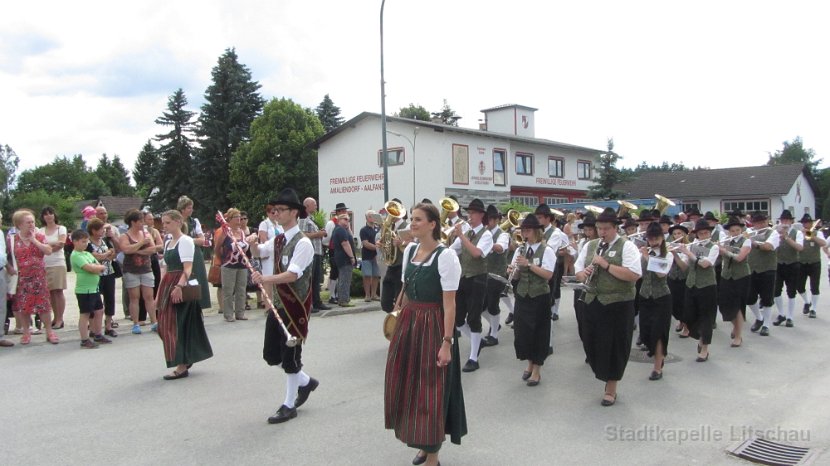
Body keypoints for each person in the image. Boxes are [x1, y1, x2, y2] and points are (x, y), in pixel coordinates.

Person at [385, 202, 466, 466]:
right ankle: (421, 442)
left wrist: (446, 342)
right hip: (410, 324)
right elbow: (406, 291)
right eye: (412, 219)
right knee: (410, 386)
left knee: (431, 390)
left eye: (418, 219)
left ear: (433, 224)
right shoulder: (409, 251)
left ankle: (433, 454)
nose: (413, 223)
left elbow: (450, 304)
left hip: (434, 325)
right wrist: (397, 323)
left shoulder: (446, 257)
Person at [250, 188, 319, 424]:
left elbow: (292, 275)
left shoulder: (304, 244)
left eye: (280, 210)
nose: (275, 213)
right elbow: (260, 252)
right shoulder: (278, 239)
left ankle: (289, 405)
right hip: (278, 304)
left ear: (294, 212)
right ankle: (306, 381)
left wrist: (265, 279)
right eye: (274, 210)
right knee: (271, 355)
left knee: (290, 358)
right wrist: (251, 244)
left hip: (295, 307)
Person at [574, 208, 641, 406]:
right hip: (592, 301)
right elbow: (577, 270)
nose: (602, 232)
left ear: (615, 229)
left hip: (618, 304)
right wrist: (583, 273)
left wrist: (606, 265)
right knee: (591, 342)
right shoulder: (590, 245)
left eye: (606, 229)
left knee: (614, 346)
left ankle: (611, 388)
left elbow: (633, 275)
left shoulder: (627, 246)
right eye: (599, 228)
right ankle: (602, 373)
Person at [156, 210, 213, 380]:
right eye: (164, 223)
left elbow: (188, 268)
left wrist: (179, 286)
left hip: (180, 284)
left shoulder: (186, 241)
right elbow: (164, 269)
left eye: (168, 223)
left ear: (178, 222)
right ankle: (185, 358)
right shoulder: (168, 242)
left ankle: (182, 365)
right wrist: (159, 293)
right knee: (164, 326)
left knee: (177, 325)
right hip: (168, 283)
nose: (164, 226)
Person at [507, 214, 555, 386]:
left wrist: (529, 265)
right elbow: (518, 274)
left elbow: (548, 275)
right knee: (523, 332)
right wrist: (513, 270)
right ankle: (529, 363)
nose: (525, 234)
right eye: (523, 230)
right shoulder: (521, 249)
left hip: (539, 296)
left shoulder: (546, 250)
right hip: (522, 295)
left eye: (528, 230)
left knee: (538, 333)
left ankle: (537, 370)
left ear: (536, 231)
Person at [450, 198, 493, 372]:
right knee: (458, 320)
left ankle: (474, 358)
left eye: (474, 213)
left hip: (479, 279)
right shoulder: (467, 234)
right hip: (464, 277)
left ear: (481, 215)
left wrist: (460, 235)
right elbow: (452, 250)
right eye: (469, 213)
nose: (470, 216)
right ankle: (478, 341)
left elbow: (476, 253)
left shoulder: (487, 235)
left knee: (474, 318)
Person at [8, 209, 57, 344]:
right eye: (28, 222)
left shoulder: (39, 236)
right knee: (24, 307)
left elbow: (48, 251)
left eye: (32, 222)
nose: (31, 224)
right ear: (19, 224)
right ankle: (26, 332)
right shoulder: (12, 239)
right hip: (22, 278)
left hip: (39, 277)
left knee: (44, 306)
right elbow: (7, 256)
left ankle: (49, 332)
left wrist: (34, 240)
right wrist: (9, 268)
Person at [676, 219, 719, 362]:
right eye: (701, 233)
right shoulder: (693, 246)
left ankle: (704, 347)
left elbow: (705, 264)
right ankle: (700, 337)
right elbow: (685, 268)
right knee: (689, 315)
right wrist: (675, 255)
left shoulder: (714, 247)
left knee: (706, 317)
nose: (704, 235)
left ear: (710, 233)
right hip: (691, 285)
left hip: (707, 286)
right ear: (697, 235)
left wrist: (688, 253)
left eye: (706, 233)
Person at [636, 222, 674, 380]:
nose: (653, 242)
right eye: (650, 239)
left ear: (662, 238)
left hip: (661, 297)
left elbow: (661, 274)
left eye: (657, 238)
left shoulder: (668, 254)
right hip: (645, 296)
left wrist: (646, 256)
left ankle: (657, 366)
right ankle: (658, 358)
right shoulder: (645, 252)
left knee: (659, 332)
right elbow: (638, 273)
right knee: (646, 331)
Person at [118, 208, 159, 334]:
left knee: (149, 296)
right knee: (134, 297)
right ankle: (136, 323)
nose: (143, 224)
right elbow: (126, 250)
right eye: (140, 221)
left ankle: (154, 322)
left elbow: (153, 249)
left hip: (146, 268)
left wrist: (138, 250)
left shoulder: (146, 233)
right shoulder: (124, 236)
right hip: (131, 270)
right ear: (133, 222)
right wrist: (141, 244)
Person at [69, 229, 111, 348]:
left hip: (94, 288)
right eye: (83, 241)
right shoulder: (75, 255)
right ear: (75, 242)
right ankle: (84, 339)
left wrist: (97, 267)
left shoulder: (87, 254)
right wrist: (96, 267)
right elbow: (90, 268)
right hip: (84, 290)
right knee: (85, 314)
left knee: (99, 311)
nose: (86, 244)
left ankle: (97, 334)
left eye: (87, 241)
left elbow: (98, 265)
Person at [717, 216, 752, 348]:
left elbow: (740, 258)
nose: (735, 233)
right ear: (729, 231)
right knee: (724, 305)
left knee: (737, 306)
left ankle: (738, 335)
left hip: (741, 276)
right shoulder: (726, 240)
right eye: (732, 230)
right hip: (726, 275)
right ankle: (735, 327)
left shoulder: (746, 241)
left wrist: (724, 251)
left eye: (737, 230)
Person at [746, 211, 780, 336]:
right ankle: (759, 318)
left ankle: (766, 324)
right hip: (752, 268)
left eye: (763, 222)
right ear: (753, 223)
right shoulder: (749, 232)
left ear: (767, 222)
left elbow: (768, 247)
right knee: (749, 298)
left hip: (767, 269)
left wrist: (753, 242)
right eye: (757, 223)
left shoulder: (773, 233)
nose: (760, 225)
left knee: (767, 298)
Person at [481, 205, 510, 347]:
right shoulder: (483, 232)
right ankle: (495, 325)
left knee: (493, 305)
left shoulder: (503, 234)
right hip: (483, 274)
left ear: (497, 220)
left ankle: (494, 335)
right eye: (488, 219)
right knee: (480, 306)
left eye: (492, 219)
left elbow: (500, 248)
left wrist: (487, 242)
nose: (489, 222)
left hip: (497, 274)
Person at [177, 196, 212, 310]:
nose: (191, 210)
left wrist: (187, 240)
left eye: (191, 207)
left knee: (198, 277)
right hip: (180, 252)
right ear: (182, 209)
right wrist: (192, 240)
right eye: (188, 208)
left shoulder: (194, 221)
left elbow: (202, 240)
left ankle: (200, 305)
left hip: (195, 253)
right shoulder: (176, 221)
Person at [215, 208, 249, 322]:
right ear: (229, 219)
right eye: (236, 217)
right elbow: (217, 247)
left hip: (242, 265)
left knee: (241, 289)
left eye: (239, 216)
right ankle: (228, 314)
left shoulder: (242, 232)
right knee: (228, 290)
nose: (239, 219)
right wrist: (221, 259)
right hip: (228, 265)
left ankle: (240, 312)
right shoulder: (225, 232)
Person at [87, 218, 118, 337]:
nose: (103, 232)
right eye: (100, 229)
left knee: (110, 299)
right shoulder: (88, 243)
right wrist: (106, 255)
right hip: (95, 275)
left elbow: (113, 253)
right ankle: (93, 327)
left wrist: (106, 256)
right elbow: (95, 257)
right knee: (94, 301)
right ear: (93, 230)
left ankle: (108, 326)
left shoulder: (105, 240)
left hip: (109, 273)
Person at [772, 210, 804, 328]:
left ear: (791, 221)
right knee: (776, 291)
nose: (784, 222)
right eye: (783, 220)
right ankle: (781, 314)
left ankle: (790, 317)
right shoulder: (775, 233)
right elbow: (772, 249)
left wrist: (787, 238)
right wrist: (779, 238)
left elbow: (799, 248)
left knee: (791, 291)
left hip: (793, 264)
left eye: (787, 220)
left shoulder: (797, 233)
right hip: (779, 264)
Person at [39, 206, 68, 330]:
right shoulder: (40, 230)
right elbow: (38, 245)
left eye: (50, 213)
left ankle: (60, 319)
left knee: (58, 291)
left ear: (54, 215)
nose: (48, 216)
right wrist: (50, 245)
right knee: (50, 292)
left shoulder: (61, 228)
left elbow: (61, 244)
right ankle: (54, 317)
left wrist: (47, 248)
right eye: (46, 214)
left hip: (58, 262)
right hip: (44, 263)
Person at [380, 199, 409, 314]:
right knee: (385, 303)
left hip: (401, 266)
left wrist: (401, 243)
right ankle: (395, 317)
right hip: (391, 266)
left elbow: (413, 245)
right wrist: (382, 244)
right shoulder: (390, 227)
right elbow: (387, 245)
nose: (390, 213)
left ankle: (397, 322)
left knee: (399, 300)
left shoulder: (407, 227)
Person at [301, 197, 330, 311]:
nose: (316, 206)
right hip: (310, 252)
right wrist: (318, 234)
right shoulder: (303, 219)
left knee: (317, 279)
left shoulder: (312, 219)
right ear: (307, 206)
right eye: (314, 204)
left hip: (318, 251)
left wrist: (321, 232)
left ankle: (317, 301)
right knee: (310, 278)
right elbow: (302, 234)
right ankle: (309, 303)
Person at [797, 214, 826, 318]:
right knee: (799, 286)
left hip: (814, 263)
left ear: (811, 223)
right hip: (802, 263)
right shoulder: (799, 234)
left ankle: (813, 308)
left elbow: (823, 243)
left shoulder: (818, 233)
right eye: (804, 223)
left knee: (815, 287)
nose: (806, 224)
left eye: (808, 222)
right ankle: (807, 302)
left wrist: (812, 235)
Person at [138, 210, 164, 324]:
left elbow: (160, 245)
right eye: (149, 219)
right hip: (141, 262)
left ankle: (156, 314)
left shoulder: (154, 231)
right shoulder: (138, 232)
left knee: (155, 285)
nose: (152, 221)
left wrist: (149, 249)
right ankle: (141, 317)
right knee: (141, 289)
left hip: (152, 260)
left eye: (152, 218)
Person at [667, 224, 690, 337]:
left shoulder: (688, 247)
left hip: (684, 278)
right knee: (674, 303)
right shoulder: (670, 245)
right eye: (675, 234)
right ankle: (680, 321)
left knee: (684, 303)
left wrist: (675, 254)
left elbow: (684, 267)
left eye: (679, 233)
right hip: (671, 277)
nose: (677, 236)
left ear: (684, 234)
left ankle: (686, 327)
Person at [325, 203, 349, 303]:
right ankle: (332, 296)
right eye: (343, 211)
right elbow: (326, 239)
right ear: (338, 212)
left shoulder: (345, 223)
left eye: (345, 211)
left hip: (342, 250)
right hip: (334, 250)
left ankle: (340, 294)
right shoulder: (331, 223)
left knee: (341, 272)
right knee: (334, 272)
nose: (344, 213)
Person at [331, 213, 357, 307]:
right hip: (344, 258)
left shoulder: (341, 229)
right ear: (339, 220)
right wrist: (351, 257)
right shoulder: (340, 230)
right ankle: (344, 300)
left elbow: (350, 237)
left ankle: (342, 298)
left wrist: (348, 228)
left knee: (343, 278)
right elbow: (345, 244)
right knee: (345, 279)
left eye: (348, 220)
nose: (347, 221)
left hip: (341, 257)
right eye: (345, 219)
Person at [359, 210, 380, 302]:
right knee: (367, 275)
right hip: (367, 255)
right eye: (371, 216)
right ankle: (367, 295)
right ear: (367, 218)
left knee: (376, 275)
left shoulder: (378, 229)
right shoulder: (363, 230)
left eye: (374, 216)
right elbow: (365, 243)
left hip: (377, 256)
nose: (373, 217)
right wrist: (376, 248)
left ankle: (374, 294)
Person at [0, 212, 12, 347]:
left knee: (1, 305)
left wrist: (8, 267)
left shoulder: (0, 234)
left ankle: (0, 336)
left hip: (1, 271)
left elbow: (2, 254)